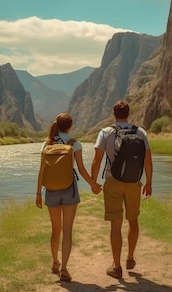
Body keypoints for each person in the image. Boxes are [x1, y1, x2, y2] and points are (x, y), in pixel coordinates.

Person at [36, 112, 102, 282]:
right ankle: (64, 268)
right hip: (69, 189)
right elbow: (80, 169)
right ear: (70, 126)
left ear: (56, 125)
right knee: (67, 231)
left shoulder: (47, 143)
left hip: (50, 190)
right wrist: (93, 184)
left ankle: (55, 262)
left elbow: (42, 171)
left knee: (55, 230)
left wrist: (37, 193)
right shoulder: (75, 144)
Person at [91, 100, 153, 279]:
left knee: (116, 224)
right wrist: (148, 183)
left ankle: (116, 267)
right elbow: (147, 161)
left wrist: (93, 182)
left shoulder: (106, 132)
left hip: (112, 181)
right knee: (133, 221)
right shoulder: (141, 132)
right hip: (134, 182)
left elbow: (97, 160)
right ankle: (130, 257)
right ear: (129, 113)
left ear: (113, 114)